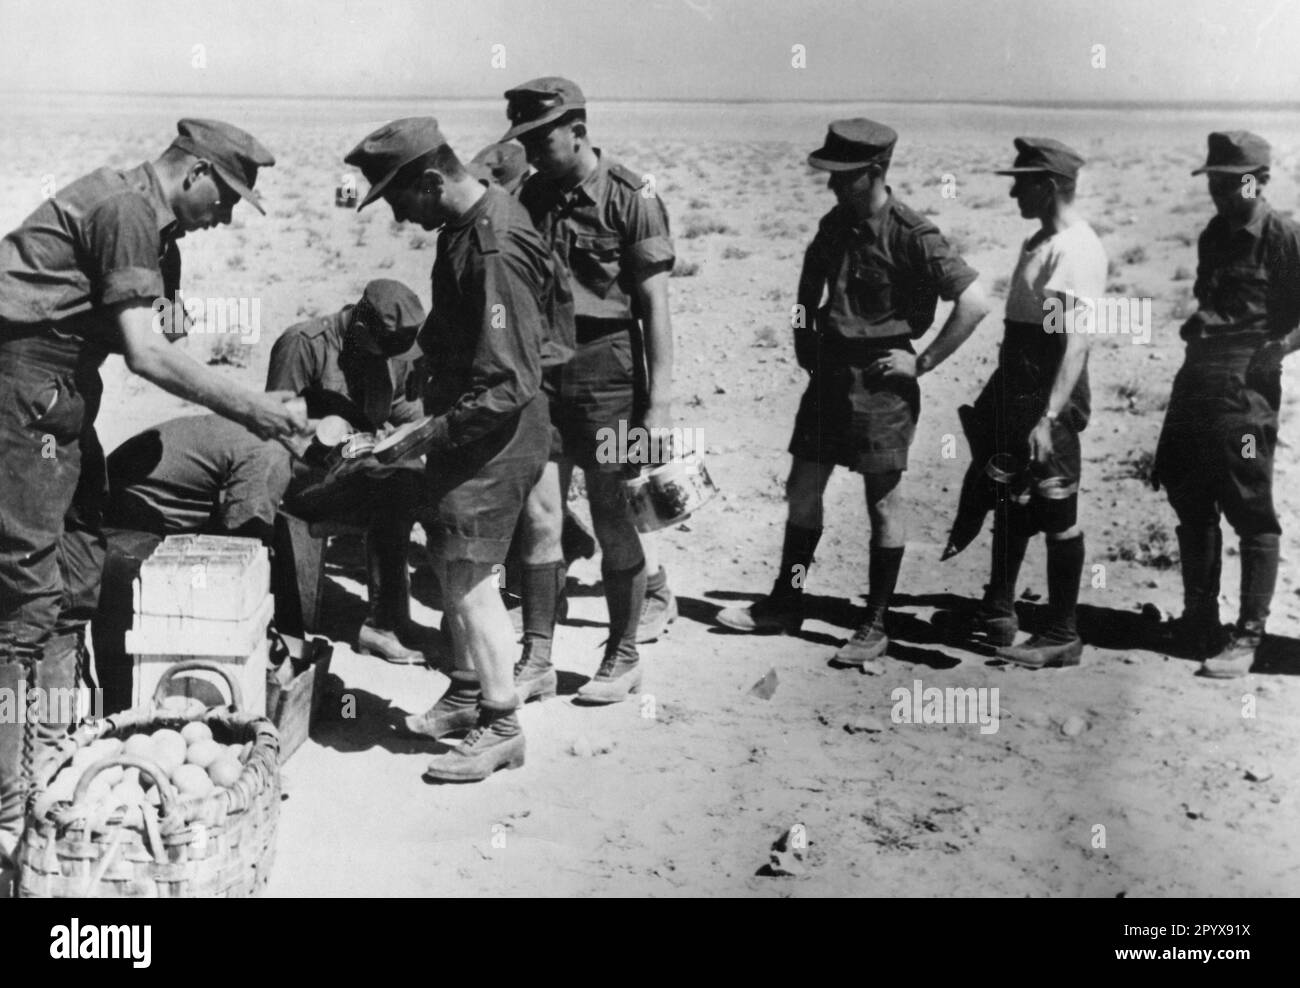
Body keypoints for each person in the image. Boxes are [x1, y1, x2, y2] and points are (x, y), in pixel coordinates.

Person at [0, 118, 303, 857]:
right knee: (22, 595)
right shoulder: (126, 208)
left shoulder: (151, 229)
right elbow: (146, 354)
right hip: (21, 396)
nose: (225, 216)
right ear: (193, 173)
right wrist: (256, 409)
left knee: (76, 575)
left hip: (61, 399)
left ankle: (58, 745)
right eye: (224, 198)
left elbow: (152, 321)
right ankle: (10, 807)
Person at [716, 119, 990, 669]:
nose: (831, 185)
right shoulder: (834, 223)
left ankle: (874, 622)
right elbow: (806, 288)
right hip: (830, 377)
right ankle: (787, 599)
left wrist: (923, 362)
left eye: (842, 176)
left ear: (875, 171)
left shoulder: (913, 233)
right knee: (802, 488)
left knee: (882, 503)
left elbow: (976, 301)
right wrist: (800, 336)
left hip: (882, 384)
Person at [344, 117, 559, 780]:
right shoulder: (464, 229)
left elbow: (508, 378)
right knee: (448, 553)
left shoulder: (492, 245)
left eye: (401, 199)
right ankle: (468, 693)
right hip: (475, 422)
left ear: (433, 181)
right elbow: (455, 333)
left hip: (496, 428)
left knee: (466, 575)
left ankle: (500, 725)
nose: (401, 216)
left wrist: (422, 433)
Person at [502, 76, 678, 707]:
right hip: (545, 372)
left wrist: (657, 408)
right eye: (522, 140)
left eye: (541, 139)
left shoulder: (632, 197)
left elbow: (655, 304)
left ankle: (623, 654)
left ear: (578, 129)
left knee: (613, 516)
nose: (531, 152)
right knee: (540, 516)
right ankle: (538, 658)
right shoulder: (530, 194)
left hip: (609, 374)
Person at [954, 138, 1106, 669]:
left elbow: (1076, 343)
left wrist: (1049, 416)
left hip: (1048, 392)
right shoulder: (1040, 240)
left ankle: (1063, 632)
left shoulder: (1075, 249)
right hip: (1016, 384)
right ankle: (999, 610)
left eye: (1022, 181)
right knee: (1010, 493)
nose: (1014, 190)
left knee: (1055, 503)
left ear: (1048, 185)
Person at [1153, 131, 1300, 678]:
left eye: (1227, 180)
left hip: (1246, 387)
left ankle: (1249, 635)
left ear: (1259, 180)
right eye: (1212, 180)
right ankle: (1199, 619)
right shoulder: (1213, 234)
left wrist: (1278, 349)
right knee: (1190, 495)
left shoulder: (1283, 237)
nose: (1216, 190)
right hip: (1199, 378)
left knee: (1247, 502)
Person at [267, 279, 430, 663]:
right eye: (386, 349)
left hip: (362, 471)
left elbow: (402, 405)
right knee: (395, 486)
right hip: (306, 480)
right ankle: (382, 625)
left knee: (418, 482)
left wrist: (428, 429)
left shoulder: (391, 347)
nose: (393, 357)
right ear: (359, 329)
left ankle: (392, 617)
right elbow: (276, 432)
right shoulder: (304, 345)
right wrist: (346, 445)